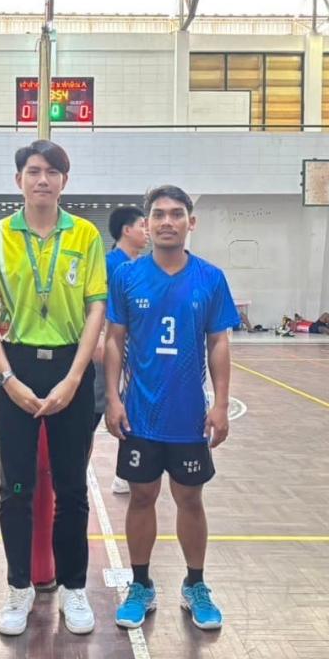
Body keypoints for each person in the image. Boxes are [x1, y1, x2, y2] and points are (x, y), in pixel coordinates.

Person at [0, 139, 107, 637]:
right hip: (17, 363)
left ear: (64, 181)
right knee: (16, 487)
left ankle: (74, 587)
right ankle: (19, 587)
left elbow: (96, 306)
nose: (43, 180)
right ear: (19, 180)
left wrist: (75, 377)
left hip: (71, 364)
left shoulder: (85, 235)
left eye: (52, 172)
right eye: (33, 171)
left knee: (72, 487)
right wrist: (6, 377)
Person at [104, 185, 239, 632]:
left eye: (176, 214)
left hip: (188, 416)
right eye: (158, 214)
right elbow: (114, 340)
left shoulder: (210, 278)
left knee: (190, 499)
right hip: (140, 414)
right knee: (141, 497)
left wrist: (220, 404)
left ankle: (195, 585)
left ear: (190, 222)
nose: (167, 221)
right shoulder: (127, 277)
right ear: (146, 224)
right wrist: (112, 398)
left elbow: (218, 342)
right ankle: (140, 584)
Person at [101, 205, 148, 496]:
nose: (147, 231)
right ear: (126, 230)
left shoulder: (144, 267)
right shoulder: (108, 265)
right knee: (98, 410)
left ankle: (125, 472)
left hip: (136, 352)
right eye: (143, 225)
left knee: (132, 408)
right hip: (106, 349)